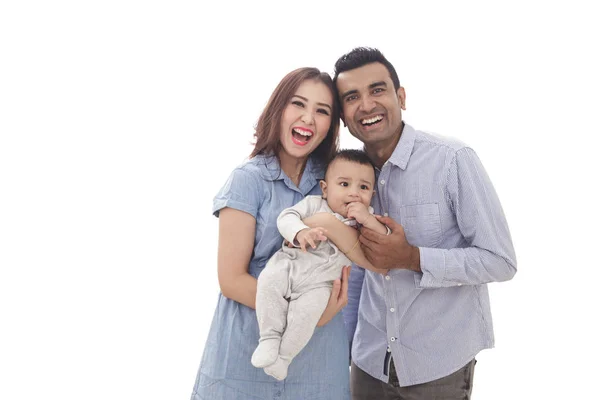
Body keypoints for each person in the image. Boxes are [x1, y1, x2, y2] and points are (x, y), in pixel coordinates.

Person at [332, 47, 517, 399]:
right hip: (368, 363)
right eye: (352, 97)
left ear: (401, 97)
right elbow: (356, 270)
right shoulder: (345, 176)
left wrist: (411, 258)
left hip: (438, 367)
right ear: (343, 116)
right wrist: (346, 349)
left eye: (377, 90)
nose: (367, 105)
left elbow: (501, 260)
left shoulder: (453, 161)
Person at [189, 67, 352, 399]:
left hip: (319, 356)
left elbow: (354, 247)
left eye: (322, 111)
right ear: (279, 109)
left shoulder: (336, 182)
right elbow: (231, 279)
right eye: (298, 104)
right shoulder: (247, 180)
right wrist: (305, 315)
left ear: (330, 126)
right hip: (247, 353)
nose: (308, 117)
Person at [252, 149, 389, 381]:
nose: (354, 193)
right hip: (290, 266)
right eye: (344, 184)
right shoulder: (314, 204)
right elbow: (286, 217)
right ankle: (269, 338)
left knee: (307, 314)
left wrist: (367, 219)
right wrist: (301, 231)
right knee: (268, 283)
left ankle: (284, 357)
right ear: (325, 188)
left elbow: (384, 239)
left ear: (372, 194)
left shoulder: (367, 220)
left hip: (321, 284)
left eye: (363, 188)